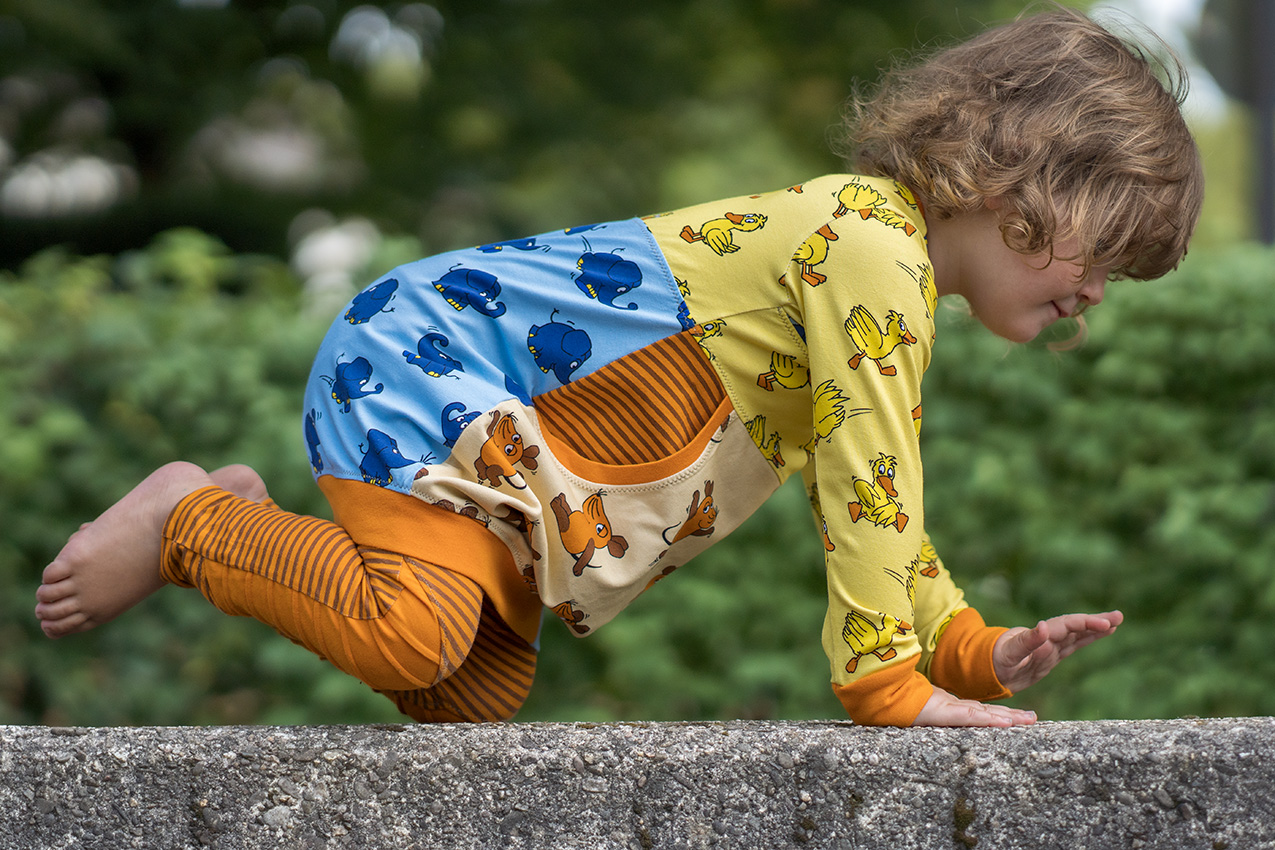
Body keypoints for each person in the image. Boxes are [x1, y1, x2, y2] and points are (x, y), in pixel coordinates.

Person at [33, 6, 1203, 727]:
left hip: (468, 388)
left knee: (470, 690)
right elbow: (870, 483)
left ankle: (240, 520)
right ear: (1019, 175)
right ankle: (190, 520)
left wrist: (967, 647)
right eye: (1103, 249)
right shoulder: (869, 246)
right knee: (414, 636)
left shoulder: (886, 276)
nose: (1099, 290)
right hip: (428, 353)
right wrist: (889, 681)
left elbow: (876, 489)